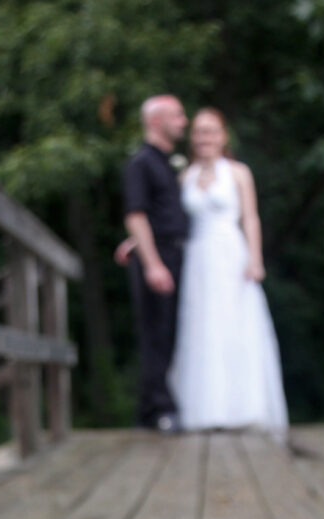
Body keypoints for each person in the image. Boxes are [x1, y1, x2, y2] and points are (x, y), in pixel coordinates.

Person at [169, 108, 288, 435]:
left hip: (230, 255)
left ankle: (242, 408)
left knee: (235, 325)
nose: (204, 138)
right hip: (198, 259)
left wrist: (255, 258)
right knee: (201, 328)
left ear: (223, 136)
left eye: (211, 131)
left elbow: (250, 217)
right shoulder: (185, 177)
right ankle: (204, 410)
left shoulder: (238, 173)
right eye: (199, 132)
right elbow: (173, 224)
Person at [122, 95, 188, 432]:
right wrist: (152, 264)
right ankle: (159, 410)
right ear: (156, 120)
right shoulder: (141, 163)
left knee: (168, 334)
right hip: (158, 258)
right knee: (156, 334)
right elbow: (135, 215)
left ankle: (149, 411)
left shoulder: (167, 162)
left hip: (172, 253)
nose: (184, 122)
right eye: (177, 116)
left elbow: (157, 215)